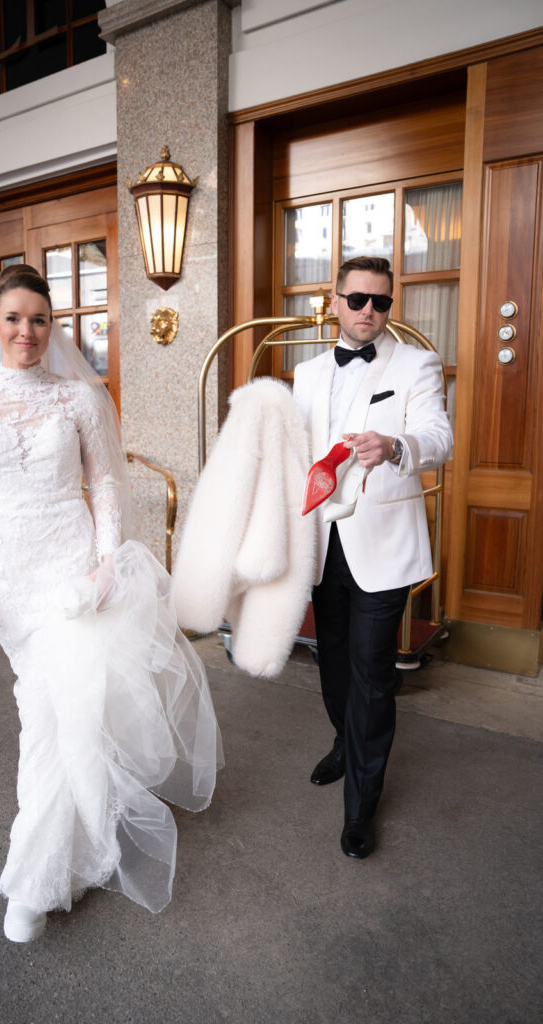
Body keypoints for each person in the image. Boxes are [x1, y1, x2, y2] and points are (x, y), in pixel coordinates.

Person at [0, 264, 222, 942]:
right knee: (54, 703)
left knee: (54, 710)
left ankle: (34, 881)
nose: (26, 331)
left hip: (71, 568)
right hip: (7, 572)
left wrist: (104, 565)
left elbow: (105, 484)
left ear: (52, 327)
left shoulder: (77, 398)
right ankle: (87, 827)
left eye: (38, 319)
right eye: (13, 318)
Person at [293, 256, 452, 860]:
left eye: (380, 302)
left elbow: (439, 438)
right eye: (357, 299)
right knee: (330, 660)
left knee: (370, 673)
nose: (368, 311)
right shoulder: (306, 373)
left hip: (381, 543)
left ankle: (361, 806)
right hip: (320, 542)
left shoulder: (415, 364)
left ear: (390, 307)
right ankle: (343, 741)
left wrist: (396, 446)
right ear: (333, 302)